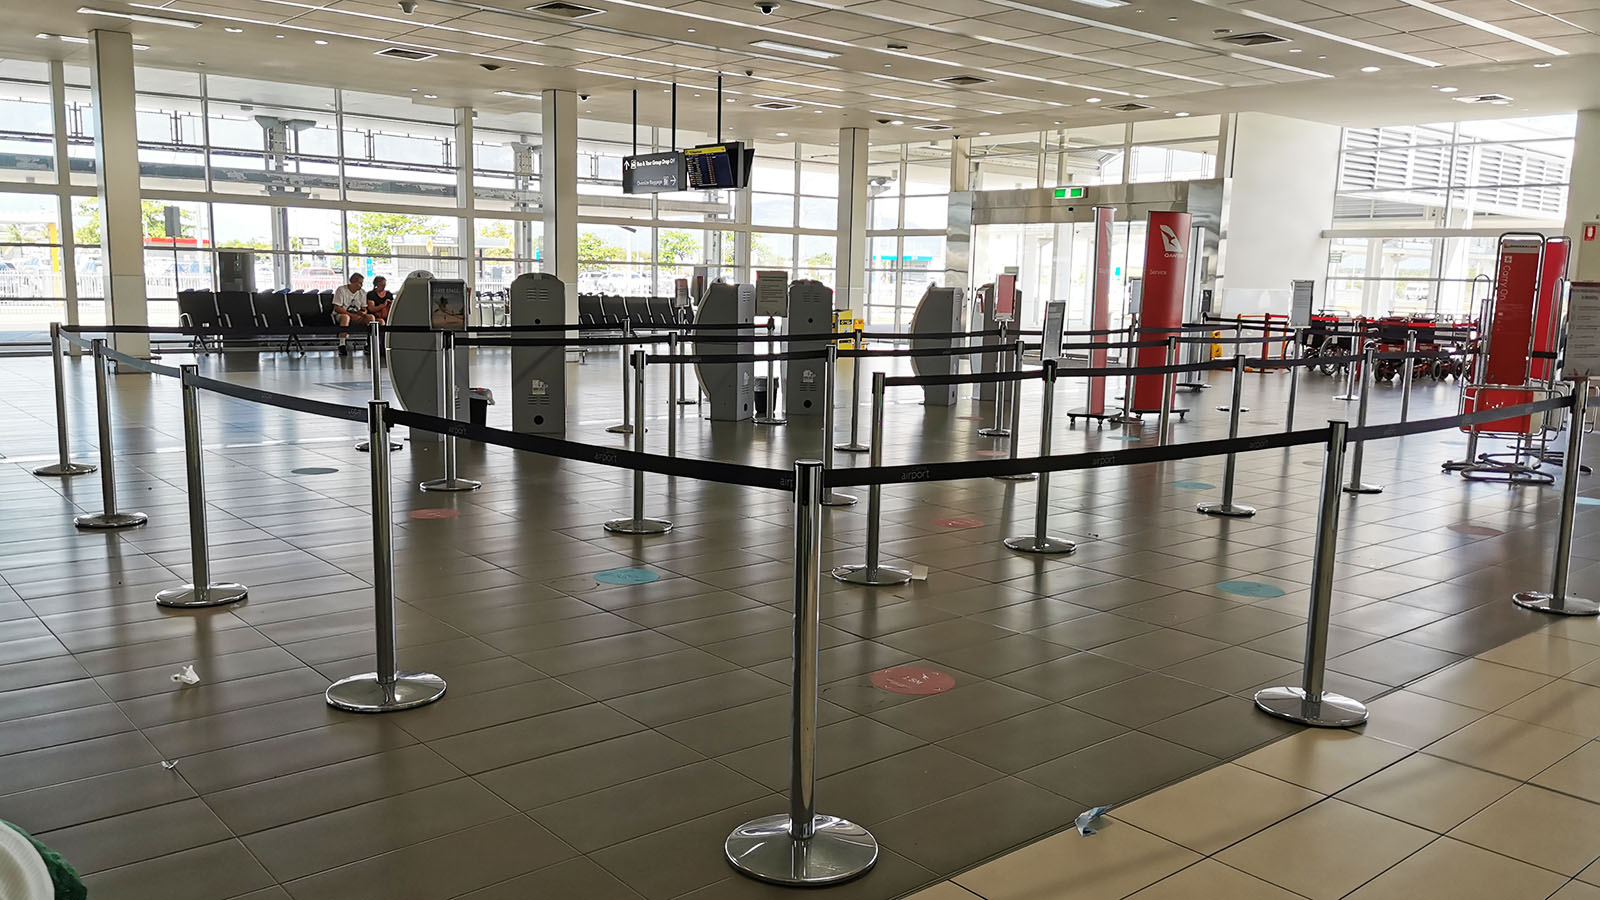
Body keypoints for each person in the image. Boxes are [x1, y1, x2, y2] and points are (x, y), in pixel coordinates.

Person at [331, 272, 374, 355]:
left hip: (356, 315)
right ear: (353, 282)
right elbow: (337, 308)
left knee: (370, 318)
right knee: (345, 317)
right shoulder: (341, 290)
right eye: (360, 283)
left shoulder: (362, 292)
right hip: (341, 315)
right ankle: (342, 344)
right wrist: (351, 315)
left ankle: (369, 343)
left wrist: (363, 313)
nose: (361, 285)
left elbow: (364, 308)